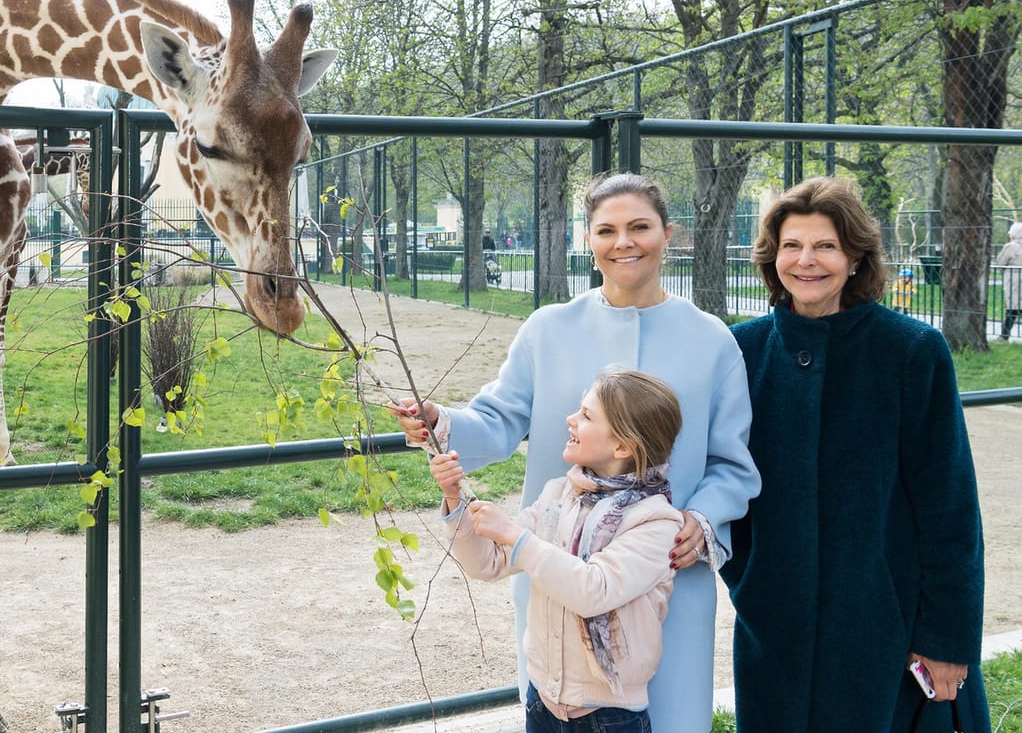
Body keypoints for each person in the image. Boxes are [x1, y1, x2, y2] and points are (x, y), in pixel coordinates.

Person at [392, 172, 760, 733]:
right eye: (606, 230)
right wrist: (441, 422)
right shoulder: (547, 330)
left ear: (668, 233)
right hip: (557, 573)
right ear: (588, 240)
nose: (624, 242)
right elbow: (496, 422)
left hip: (662, 572)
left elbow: (733, 464)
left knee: (673, 718)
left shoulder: (714, 340)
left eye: (640, 226)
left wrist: (701, 520)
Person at [724, 176, 989, 732]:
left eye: (825, 246)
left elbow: (950, 507)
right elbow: (724, 474)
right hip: (774, 623)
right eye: (792, 246)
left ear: (854, 257)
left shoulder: (912, 352)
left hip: (885, 624)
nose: (806, 261)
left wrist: (945, 637)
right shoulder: (742, 351)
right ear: (772, 258)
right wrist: (750, 578)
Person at [430, 369, 684, 733]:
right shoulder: (558, 495)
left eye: (586, 415)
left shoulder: (655, 522)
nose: (570, 419)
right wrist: (455, 498)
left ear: (623, 446)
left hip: (609, 717)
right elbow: (488, 563)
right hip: (542, 702)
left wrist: (518, 539)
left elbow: (593, 590)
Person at [997, 222, 1022, 340]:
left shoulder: (1010, 247)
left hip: (1014, 279)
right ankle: (1004, 334)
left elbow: (1001, 262)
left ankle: (1004, 335)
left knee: (1013, 307)